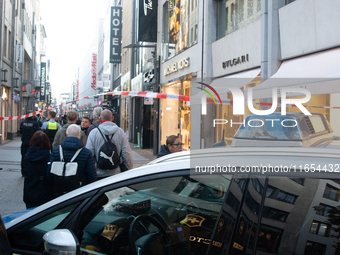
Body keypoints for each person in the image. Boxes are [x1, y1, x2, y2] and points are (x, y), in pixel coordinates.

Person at [49, 124, 97, 197]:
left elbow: (49, 172)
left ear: (66, 135)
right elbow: (91, 176)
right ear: (80, 135)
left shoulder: (56, 151)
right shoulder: (86, 153)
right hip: (79, 193)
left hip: (59, 194)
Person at [86, 109, 133, 179]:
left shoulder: (94, 133)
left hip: (98, 173)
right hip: (116, 173)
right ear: (112, 118)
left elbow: (89, 153)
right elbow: (126, 152)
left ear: (100, 118)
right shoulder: (120, 132)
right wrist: (128, 167)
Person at [23, 131, 54, 209]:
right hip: (45, 194)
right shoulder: (49, 157)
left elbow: (24, 172)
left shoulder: (26, 157)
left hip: (29, 193)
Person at [20, 111, 40, 177]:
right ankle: (31, 171)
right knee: (32, 156)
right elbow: (38, 132)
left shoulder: (23, 123)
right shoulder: (35, 123)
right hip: (32, 142)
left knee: (23, 157)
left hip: (24, 141)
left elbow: (20, 131)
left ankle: (23, 172)